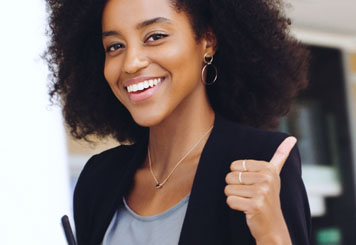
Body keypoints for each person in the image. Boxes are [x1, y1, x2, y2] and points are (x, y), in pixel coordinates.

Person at [45, 0, 311, 244]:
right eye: (115, 46)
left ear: (207, 40)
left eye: (155, 37)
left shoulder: (259, 162)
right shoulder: (98, 178)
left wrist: (272, 233)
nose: (131, 63)